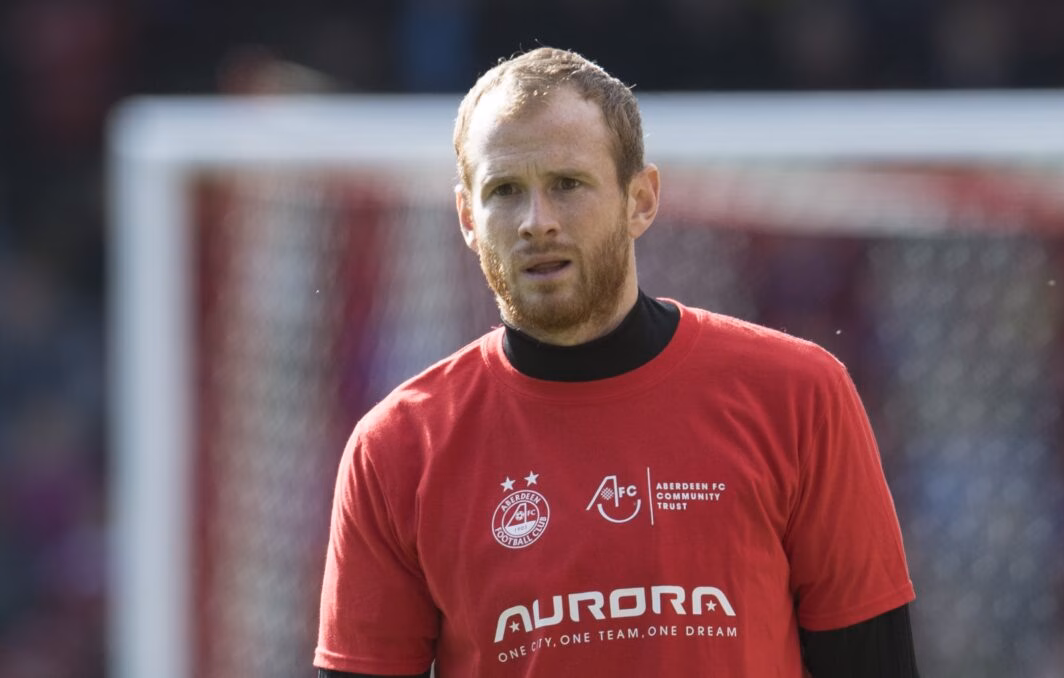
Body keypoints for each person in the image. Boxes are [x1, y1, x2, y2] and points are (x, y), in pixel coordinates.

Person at [314, 46, 919, 677]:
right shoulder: (396, 449)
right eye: (505, 190)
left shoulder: (799, 396)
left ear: (641, 200)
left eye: (567, 184)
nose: (536, 222)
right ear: (468, 217)